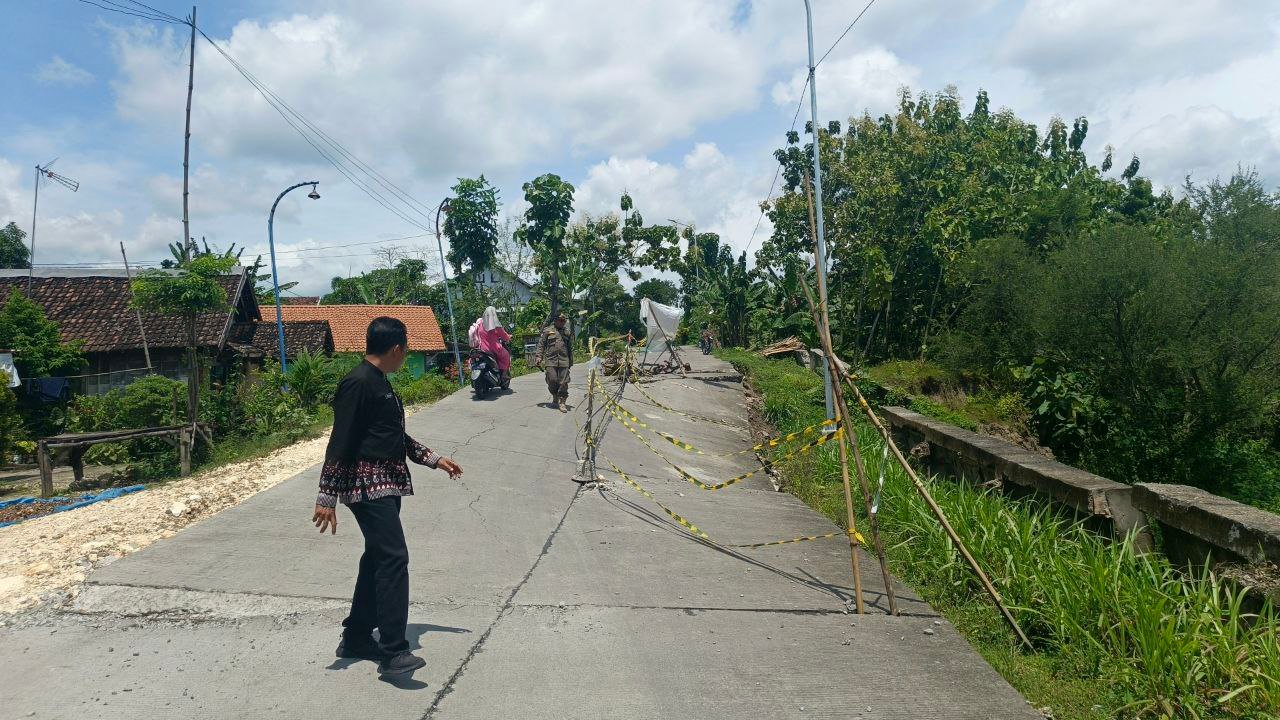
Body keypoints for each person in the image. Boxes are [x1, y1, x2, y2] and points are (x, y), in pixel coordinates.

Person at [311, 317, 464, 677]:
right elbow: (340, 440)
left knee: (378, 557)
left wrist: (434, 459)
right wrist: (326, 496)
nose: (405, 355)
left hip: (387, 483)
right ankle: (394, 651)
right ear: (396, 349)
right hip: (366, 486)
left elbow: (391, 433)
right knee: (394, 557)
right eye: (405, 350)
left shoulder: (379, 381)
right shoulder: (358, 382)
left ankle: (356, 637)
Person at [535, 311, 573, 412]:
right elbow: (541, 345)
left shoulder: (567, 332)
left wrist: (571, 361)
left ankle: (562, 402)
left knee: (564, 382)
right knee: (552, 380)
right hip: (551, 360)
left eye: (564, 321)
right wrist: (538, 357)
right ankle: (555, 396)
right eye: (560, 320)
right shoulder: (547, 331)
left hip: (564, 360)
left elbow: (569, 348)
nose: (562, 322)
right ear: (555, 320)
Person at [468, 305, 512, 381]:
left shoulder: (480, 323)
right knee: (506, 355)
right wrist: (508, 337)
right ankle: (504, 374)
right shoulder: (496, 325)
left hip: (481, 348)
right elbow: (503, 335)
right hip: (494, 348)